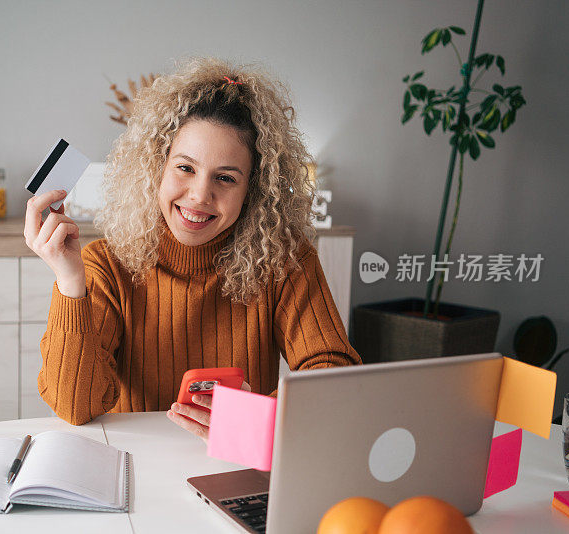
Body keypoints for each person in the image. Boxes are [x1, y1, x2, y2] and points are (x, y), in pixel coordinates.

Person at [23, 57, 362, 441]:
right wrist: (70, 281)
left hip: (239, 463)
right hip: (135, 473)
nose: (200, 195)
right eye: (185, 168)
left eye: (225, 178)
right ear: (157, 167)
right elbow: (74, 407)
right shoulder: (105, 265)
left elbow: (333, 372)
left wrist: (260, 416)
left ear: (253, 189)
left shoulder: (284, 260)